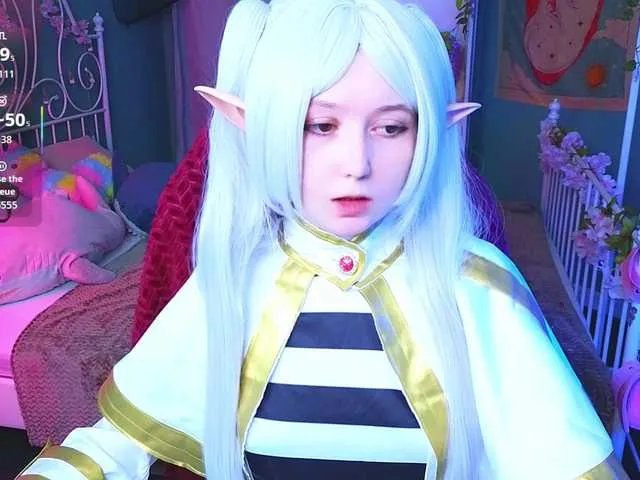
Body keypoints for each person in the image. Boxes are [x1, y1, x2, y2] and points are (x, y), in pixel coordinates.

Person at [16, 0, 628, 479]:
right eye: (320, 125)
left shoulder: (476, 287)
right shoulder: (235, 281)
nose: (355, 164)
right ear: (251, 126)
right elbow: (119, 444)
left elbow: (563, 460)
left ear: (435, 134)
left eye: (391, 127)